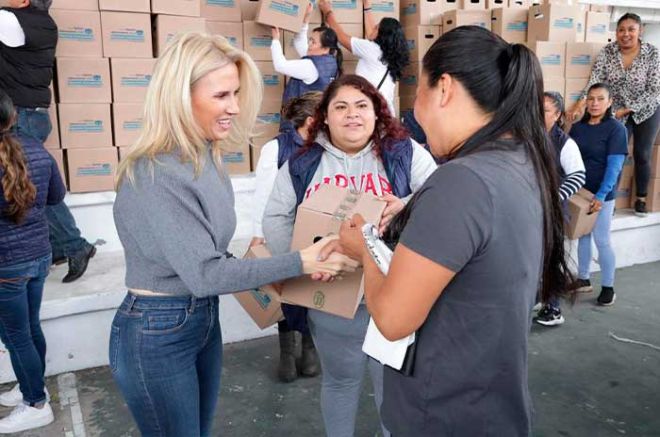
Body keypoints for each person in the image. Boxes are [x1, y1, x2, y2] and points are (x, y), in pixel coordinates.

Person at [326, 26, 573, 435]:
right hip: (493, 403)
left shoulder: (460, 181)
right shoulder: (520, 159)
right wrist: (413, 209)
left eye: (418, 92)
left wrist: (363, 248)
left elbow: (391, 319)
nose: (416, 112)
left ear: (444, 88)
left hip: (443, 413)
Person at [110, 32, 355, 436]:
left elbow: (210, 256)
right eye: (222, 95)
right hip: (157, 329)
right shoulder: (155, 174)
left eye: (237, 93)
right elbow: (205, 273)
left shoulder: (205, 156)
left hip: (200, 318)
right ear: (179, 96)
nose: (235, 107)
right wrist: (301, 262)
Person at [263, 74, 436, 437]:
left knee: (393, 386)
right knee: (341, 381)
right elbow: (276, 216)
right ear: (324, 116)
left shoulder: (404, 153)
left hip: (396, 293)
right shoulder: (303, 163)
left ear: (377, 113)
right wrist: (300, 264)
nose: (351, 115)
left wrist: (403, 205)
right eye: (340, 107)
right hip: (333, 298)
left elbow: (440, 198)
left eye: (361, 106)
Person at [0, 0, 96, 282]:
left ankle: (75, 245)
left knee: (32, 187)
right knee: (28, 185)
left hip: (21, 116)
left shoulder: (12, 21)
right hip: (34, 113)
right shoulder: (43, 22)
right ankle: (58, 248)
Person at [0, 90, 64, 433]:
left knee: (16, 336)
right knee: (29, 329)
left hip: (6, 266)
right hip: (39, 256)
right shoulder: (38, 149)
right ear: (12, 117)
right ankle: (31, 386)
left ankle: (35, 401)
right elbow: (56, 197)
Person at [251, 91, 323, 382]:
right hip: (282, 230)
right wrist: (258, 234)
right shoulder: (276, 148)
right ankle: (286, 355)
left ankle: (309, 349)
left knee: (311, 292)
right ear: (311, 119)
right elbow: (263, 197)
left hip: (314, 231)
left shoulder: (325, 147)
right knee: (285, 293)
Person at [569, 13, 660, 216]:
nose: (625, 34)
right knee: (614, 154)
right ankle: (610, 202)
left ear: (640, 31)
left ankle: (641, 198)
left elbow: (655, 89)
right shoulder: (608, 52)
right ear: (616, 32)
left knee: (642, 154)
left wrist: (626, 109)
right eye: (621, 30)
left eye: (631, 29)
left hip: (647, 109)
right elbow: (595, 80)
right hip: (616, 109)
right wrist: (579, 104)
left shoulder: (652, 53)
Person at [569, 83, 628, 307]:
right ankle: (583, 278)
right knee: (583, 236)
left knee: (602, 240)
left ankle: (608, 287)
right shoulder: (578, 128)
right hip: (580, 192)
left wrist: (602, 195)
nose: (594, 103)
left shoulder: (616, 129)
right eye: (591, 99)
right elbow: (571, 160)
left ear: (610, 102)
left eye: (600, 99)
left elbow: (614, 167)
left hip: (602, 194)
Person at [534, 91, 586, 326]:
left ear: (557, 115)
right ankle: (536, 297)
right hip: (529, 210)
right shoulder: (526, 138)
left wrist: (552, 198)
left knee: (551, 260)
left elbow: (577, 176)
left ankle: (553, 309)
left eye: (544, 110)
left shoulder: (565, 143)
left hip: (552, 212)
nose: (537, 113)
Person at [318, 0, 409, 116]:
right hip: (386, 114)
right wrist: (367, 6)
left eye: (376, 27)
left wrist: (327, 12)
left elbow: (341, 37)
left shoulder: (371, 49)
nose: (373, 28)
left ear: (381, 35)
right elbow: (371, 33)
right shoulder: (391, 55)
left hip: (373, 112)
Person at [270, 5, 342, 131]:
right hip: (311, 122)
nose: (309, 44)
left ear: (325, 48)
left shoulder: (309, 66)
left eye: (313, 42)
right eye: (310, 40)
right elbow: (299, 42)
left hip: (298, 123)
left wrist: (275, 39)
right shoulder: (330, 61)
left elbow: (280, 65)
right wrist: (306, 18)